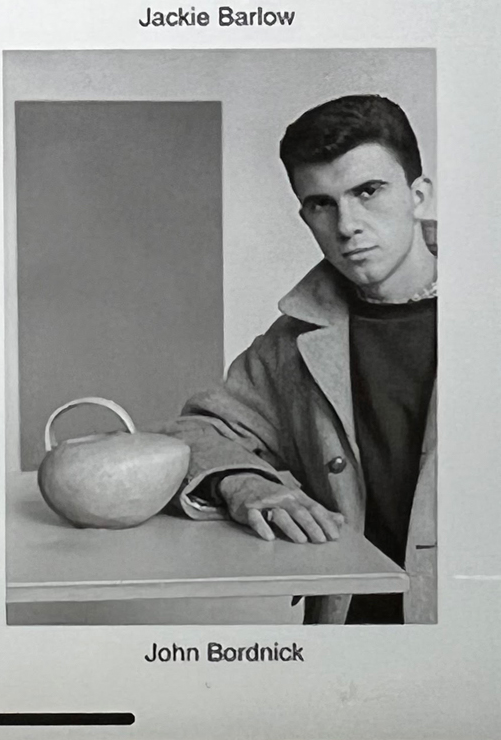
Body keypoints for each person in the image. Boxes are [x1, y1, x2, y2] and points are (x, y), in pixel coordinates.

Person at [166, 94, 435, 625]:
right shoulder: (292, 343)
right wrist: (244, 485)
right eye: (322, 203)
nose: (348, 224)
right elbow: (193, 434)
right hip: (347, 631)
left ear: (417, 194)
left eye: (368, 191)